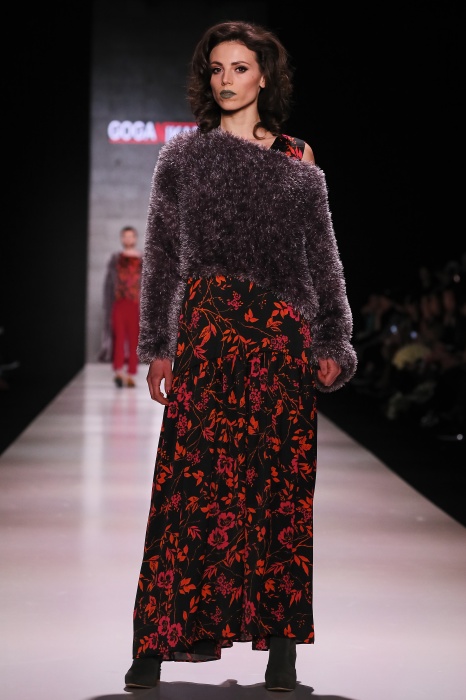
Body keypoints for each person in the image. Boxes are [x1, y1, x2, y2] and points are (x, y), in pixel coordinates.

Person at [125, 20, 357, 692]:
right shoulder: (182, 156)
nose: (226, 80)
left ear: (264, 76)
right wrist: (158, 345)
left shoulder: (297, 156)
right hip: (208, 337)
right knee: (188, 488)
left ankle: (282, 647)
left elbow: (323, 256)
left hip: (280, 340)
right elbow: (162, 253)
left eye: (240, 68)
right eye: (217, 68)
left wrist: (334, 338)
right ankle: (156, 643)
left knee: (280, 491)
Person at [101, 225, 142, 387]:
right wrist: (107, 302)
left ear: (135, 238)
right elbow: (108, 282)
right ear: (121, 238)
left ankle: (131, 373)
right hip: (118, 302)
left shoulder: (143, 259)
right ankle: (119, 372)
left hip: (136, 304)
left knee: (134, 339)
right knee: (118, 337)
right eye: (125, 236)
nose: (128, 239)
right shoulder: (115, 259)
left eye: (131, 236)